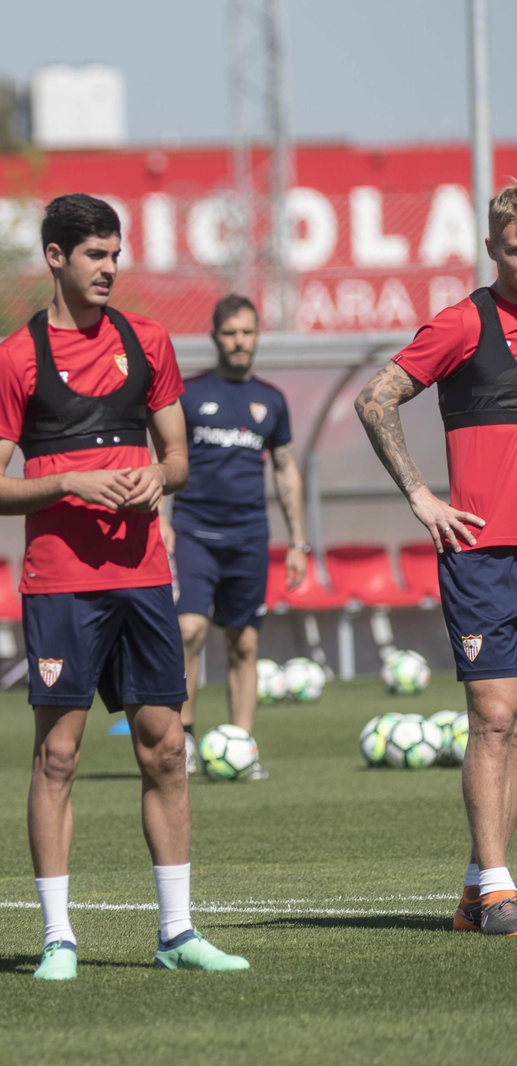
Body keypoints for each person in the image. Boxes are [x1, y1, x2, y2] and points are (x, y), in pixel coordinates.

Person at [0, 193, 249, 980]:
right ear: (54, 257)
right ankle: (59, 937)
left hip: (144, 578)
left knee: (166, 748)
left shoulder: (148, 340)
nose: (109, 269)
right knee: (58, 756)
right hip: (60, 585)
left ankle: (178, 933)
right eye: (95, 255)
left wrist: (153, 479)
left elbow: (179, 459)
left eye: (115, 255)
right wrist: (70, 486)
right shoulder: (14, 359)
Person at [354, 181, 517, 937]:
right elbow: (376, 399)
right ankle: (496, 888)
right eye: (515, 246)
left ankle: (481, 882)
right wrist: (422, 495)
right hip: (481, 551)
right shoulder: (462, 324)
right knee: (493, 717)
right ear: (492, 249)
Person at [160, 294, 308, 777]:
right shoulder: (188, 392)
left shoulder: (272, 400)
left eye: (247, 332)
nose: (239, 341)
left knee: (244, 642)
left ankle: (242, 746)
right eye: (230, 333)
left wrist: (298, 541)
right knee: (189, 630)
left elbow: (285, 470)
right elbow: (164, 459)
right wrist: (159, 520)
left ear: (257, 335)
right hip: (194, 533)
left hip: (249, 536)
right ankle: (182, 739)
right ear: (215, 337)